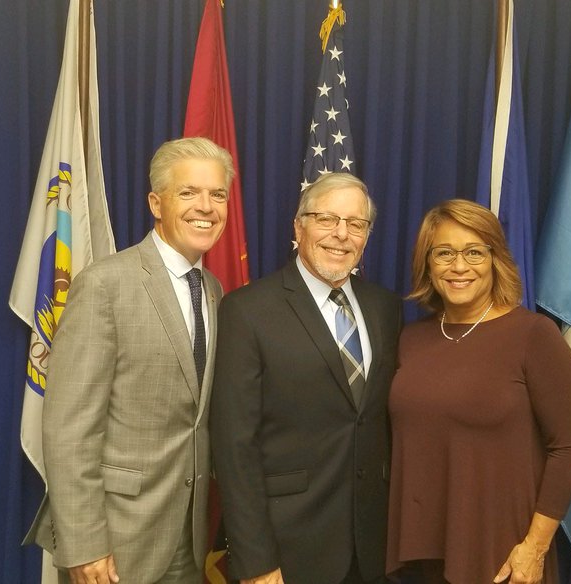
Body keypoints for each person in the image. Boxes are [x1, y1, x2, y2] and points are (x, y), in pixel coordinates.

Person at [25, 137, 233, 584]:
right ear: (156, 204)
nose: (206, 206)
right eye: (188, 193)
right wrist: (85, 543)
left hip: (189, 536)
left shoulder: (214, 292)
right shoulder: (105, 285)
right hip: (114, 542)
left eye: (217, 194)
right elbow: (68, 429)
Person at [211, 173, 403, 584]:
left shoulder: (385, 308)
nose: (341, 234)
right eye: (326, 218)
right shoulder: (247, 310)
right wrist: (255, 560)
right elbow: (233, 445)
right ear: (298, 226)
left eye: (356, 223)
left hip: (373, 549)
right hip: (285, 551)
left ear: (367, 235)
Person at [386, 199, 571, 584]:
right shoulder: (411, 339)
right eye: (444, 253)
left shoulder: (534, 336)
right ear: (427, 263)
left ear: (496, 259)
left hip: (503, 555)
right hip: (420, 554)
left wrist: (535, 547)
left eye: (474, 252)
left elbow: (568, 447)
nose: (459, 267)